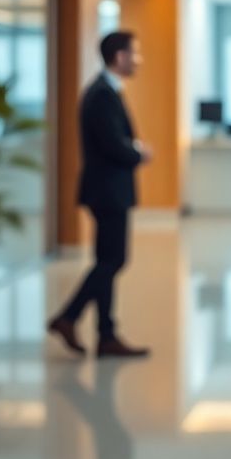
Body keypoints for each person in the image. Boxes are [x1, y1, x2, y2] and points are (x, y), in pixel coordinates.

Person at [48, 31, 151, 358]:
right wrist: (139, 153)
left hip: (108, 190)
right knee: (113, 260)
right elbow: (113, 145)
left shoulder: (106, 91)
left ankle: (106, 335)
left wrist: (131, 149)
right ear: (119, 57)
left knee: (108, 260)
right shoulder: (102, 95)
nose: (138, 60)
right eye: (134, 54)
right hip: (107, 191)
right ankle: (68, 317)